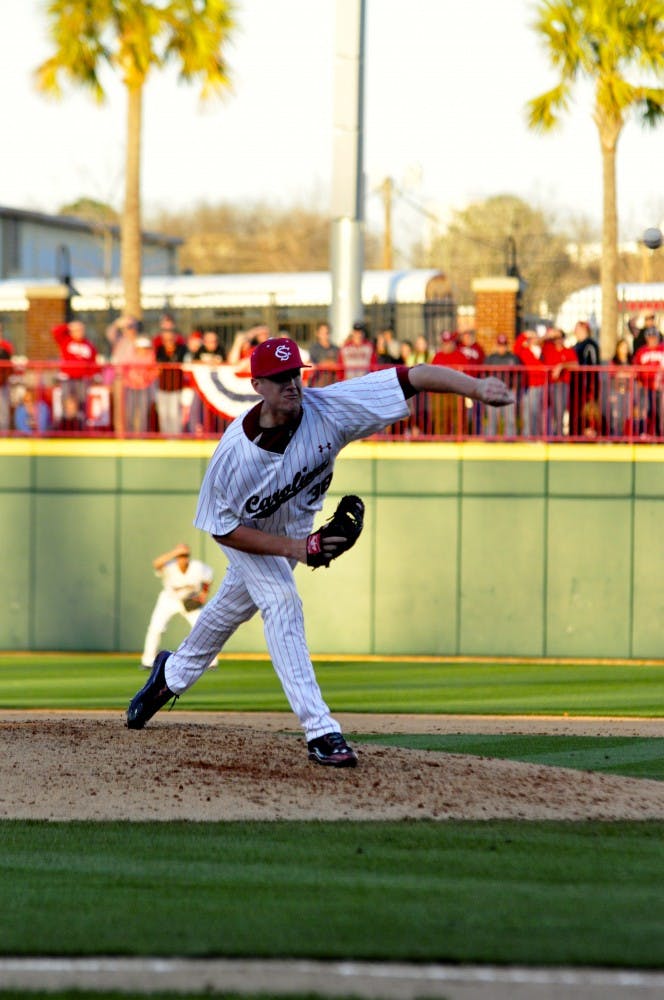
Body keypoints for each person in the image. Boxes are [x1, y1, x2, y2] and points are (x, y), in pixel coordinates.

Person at [125, 336, 514, 766]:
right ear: (257, 385)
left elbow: (414, 376)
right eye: (279, 378)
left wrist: (476, 389)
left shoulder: (329, 408)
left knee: (232, 609)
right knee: (281, 601)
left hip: (292, 532)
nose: (291, 384)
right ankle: (321, 730)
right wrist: (297, 547)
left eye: (295, 373)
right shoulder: (233, 456)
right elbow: (224, 530)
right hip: (249, 537)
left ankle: (171, 675)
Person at [140, 543, 216, 670]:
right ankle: (148, 661)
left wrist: (204, 594)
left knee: (204, 628)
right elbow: (156, 564)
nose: (183, 558)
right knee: (155, 628)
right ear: (176, 557)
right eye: (180, 556)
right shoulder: (169, 566)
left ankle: (211, 662)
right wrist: (175, 552)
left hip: (190, 600)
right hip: (169, 600)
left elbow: (209, 577)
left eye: (186, 555)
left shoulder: (197, 567)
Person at [51, 319, 99, 408]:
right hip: (67, 378)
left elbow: (93, 363)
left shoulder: (89, 345)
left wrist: (93, 375)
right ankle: (67, 421)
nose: (79, 332)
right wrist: (69, 326)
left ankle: (81, 421)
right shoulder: (66, 341)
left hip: (82, 379)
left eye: (81, 330)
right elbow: (55, 331)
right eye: (77, 330)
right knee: (67, 401)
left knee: (82, 402)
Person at [540, 327, 577, 437]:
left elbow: (576, 364)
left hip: (561, 385)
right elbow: (538, 342)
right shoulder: (548, 348)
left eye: (560, 337)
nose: (558, 340)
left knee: (559, 411)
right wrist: (549, 335)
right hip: (548, 384)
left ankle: (559, 435)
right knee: (547, 412)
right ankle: (548, 435)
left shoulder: (568, 350)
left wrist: (562, 366)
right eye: (555, 338)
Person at [483, 334, 521, 438]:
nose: (502, 348)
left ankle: (510, 439)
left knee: (510, 418)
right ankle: (491, 438)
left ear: (507, 345)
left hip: (507, 391)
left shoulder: (513, 358)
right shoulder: (491, 358)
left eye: (504, 345)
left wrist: (515, 388)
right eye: (500, 345)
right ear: (496, 345)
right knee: (492, 417)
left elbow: (518, 375)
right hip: (492, 391)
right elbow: (483, 374)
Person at [569, 320, 601, 437]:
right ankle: (576, 434)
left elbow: (593, 366)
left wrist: (591, 384)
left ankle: (590, 432)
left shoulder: (590, 345)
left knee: (589, 411)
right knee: (577, 411)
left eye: (578, 329)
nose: (575, 332)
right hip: (576, 386)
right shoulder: (576, 346)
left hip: (587, 385)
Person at [430, 331, 465, 436]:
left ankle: (458, 438)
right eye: (445, 343)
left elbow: (466, 373)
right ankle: (441, 439)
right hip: (440, 391)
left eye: (449, 343)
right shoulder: (438, 356)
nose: (447, 345)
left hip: (455, 391)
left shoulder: (460, 356)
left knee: (457, 417)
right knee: (440, 417)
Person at [513, 329, 547, 438]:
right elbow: (516, 346)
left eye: (536, 337)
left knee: (539, 413)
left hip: (542, 385)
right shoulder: (525, 350)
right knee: (528, 412)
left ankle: (538, 435)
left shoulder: (543, 350)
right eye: (532, 338)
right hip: (529, 386)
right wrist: (525, 334)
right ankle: (528, 436)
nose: (535, 339)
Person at [155, 326, 187, 435]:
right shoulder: (159, 350)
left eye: (170, 339)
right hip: (162, 387)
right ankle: (165, 435)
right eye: (166, 339)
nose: (168, 342)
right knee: (163, 414)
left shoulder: (181, 349)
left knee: (174, 413)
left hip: (176, 387)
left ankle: (175, 436)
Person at [632, 326, 664, 436]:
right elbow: (636, 368)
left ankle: (660, 434)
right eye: (650, 337)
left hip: (661, 386)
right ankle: (645, 432)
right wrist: (639, 381)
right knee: (646, 410)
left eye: (654, 337)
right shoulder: (642, 351)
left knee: (661, 411)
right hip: (645, 386)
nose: (652, 339)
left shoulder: (662, 349)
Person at [606, 337, 633, 437]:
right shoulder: (614, 361)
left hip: (628, 391)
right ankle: (615, 436)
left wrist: (622, 373)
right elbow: (613, 374)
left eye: (626, 347)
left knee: (627, 415)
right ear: (618, 348)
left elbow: (633, 374)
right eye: (622, 347)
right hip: (616, 391)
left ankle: (625, 436)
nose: (624, 349)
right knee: (616, 415)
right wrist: (625, 373)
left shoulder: (631, 360)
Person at [307, 322, 339, 387]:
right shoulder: (313, 348)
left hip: (333, 384)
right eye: (322, 333)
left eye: (327, 333)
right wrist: (328, 364)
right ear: (317, 334)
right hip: (318, 384)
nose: (325, 335)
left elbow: (338, 364)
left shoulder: (336, 349)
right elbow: (312, 364)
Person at [0, 326, 14, 432]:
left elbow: (8, 365)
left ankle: (3, 434)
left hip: (2, 383)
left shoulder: (5, 345)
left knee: (3, 410)